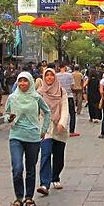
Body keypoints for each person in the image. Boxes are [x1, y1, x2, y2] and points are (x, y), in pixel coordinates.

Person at [4, 73, 51, 206]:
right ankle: (18, 198)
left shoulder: (36, 97)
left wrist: (43, 130)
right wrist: (9, 118)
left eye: (25, 81)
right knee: (17, 167)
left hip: (33, 137)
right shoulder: (12, 98)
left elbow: (47, 112)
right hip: (16, 136)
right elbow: (6, 115)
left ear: (30, 82)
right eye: (20, 81)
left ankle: (28, 197)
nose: (23, 83)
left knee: (30, 168)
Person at [37, 67, 70, 195]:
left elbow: (65, 109)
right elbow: (36, 111)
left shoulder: (61, 92)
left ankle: (55, 177)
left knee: (58, 156)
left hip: (59, 129)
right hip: (45, 128)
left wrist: (62, 122)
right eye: (47, 75)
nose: (49, 78)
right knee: (45, 154)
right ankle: (44, 184)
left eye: (51, 75)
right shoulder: (39, 93)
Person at [56, 63, 77, 137]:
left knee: (60, 113)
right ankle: (72, 131)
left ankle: (59, 129)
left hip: (59, 96)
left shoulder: (56, 76)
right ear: (65, 67)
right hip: (69, 96)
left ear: (59, 67)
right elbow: (72, 85)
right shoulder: (69, 75)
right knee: (72, 114)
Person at [71, 64, 85, 136]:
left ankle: (74, 109)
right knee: (79, 100)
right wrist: (82, 87)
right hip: (79, 88)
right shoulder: (80, 74)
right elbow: (82, 81)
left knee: (73, 100)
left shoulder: (72, 74)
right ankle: (79, 110)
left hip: (73, 88)